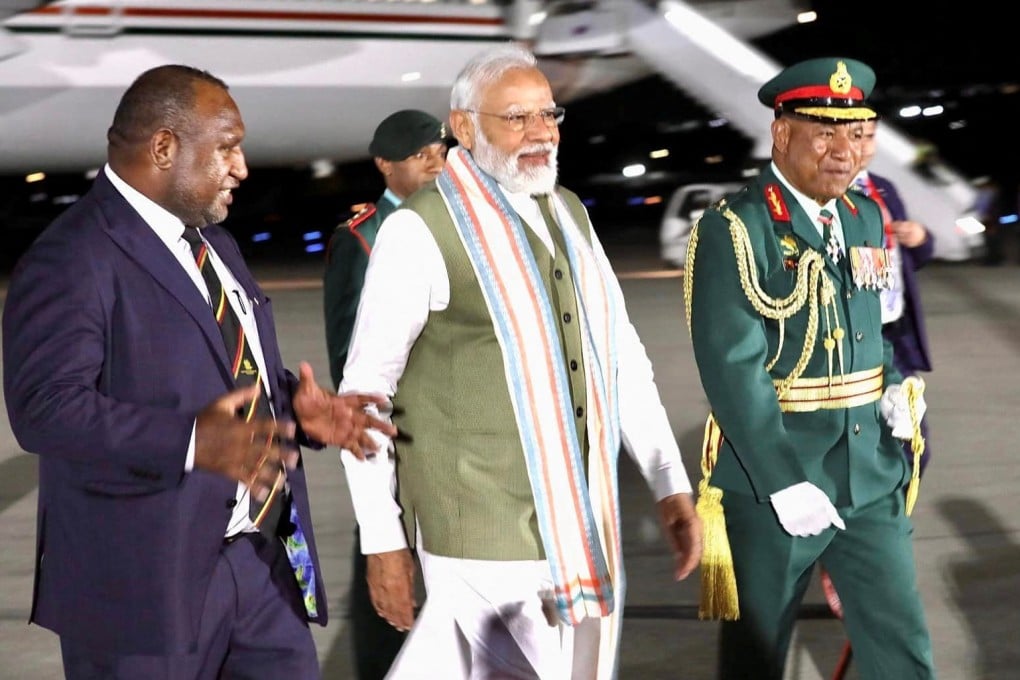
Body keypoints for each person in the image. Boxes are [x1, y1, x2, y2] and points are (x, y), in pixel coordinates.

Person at [1, 64, 395, 679]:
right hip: (142, 590)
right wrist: (190, 442)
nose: (241, 168)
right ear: (164, 147)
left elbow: (217, 369)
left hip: (258, 567)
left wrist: (294, 409)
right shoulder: (72, 257)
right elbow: (45, 409)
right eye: (227, 148)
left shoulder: (212, 242)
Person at [338, 42, 702, 679]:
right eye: (516, 117)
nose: (541, 132)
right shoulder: (419, 229)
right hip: (478, 540)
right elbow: (364, 394)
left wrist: (668, 480)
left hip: (582, 526)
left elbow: (619, 354)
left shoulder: (569, 212)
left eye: (548, 114)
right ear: (464, 126)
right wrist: (383, 540)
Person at [683, 57, 935, 678]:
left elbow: (868, 328)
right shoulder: (735, 228)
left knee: (902, 651)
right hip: (777, 485)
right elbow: (732, 368)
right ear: (781, 133)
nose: (844, 152)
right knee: (756, 660)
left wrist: (889, 390)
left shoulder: (863, 216)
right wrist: (782, 482)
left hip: (869, 477)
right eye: (824, 133)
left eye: (857, 134)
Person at [322, 108, 448, 680]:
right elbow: (351, 358)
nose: (436, 164)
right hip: (396, 435)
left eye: (440, 153)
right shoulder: (362, 239)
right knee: (386, 563)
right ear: (385, 165)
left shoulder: (450, 225)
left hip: (447, 440)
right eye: (421, 156)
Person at [853, 118, 935, 474]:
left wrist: (920, 239)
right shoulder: (822, 196)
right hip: (854, 336)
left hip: (894, 332)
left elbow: (914, 260)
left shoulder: (883, 189)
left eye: (870, 136)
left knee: (913, 442)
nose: (864, 146)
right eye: (855, 136)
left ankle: (894, 500)